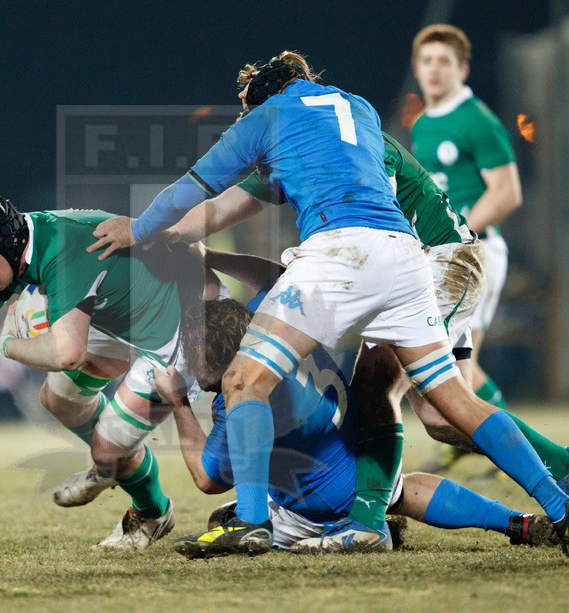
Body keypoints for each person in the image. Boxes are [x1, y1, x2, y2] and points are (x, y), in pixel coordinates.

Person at [87, 51, 569, 557]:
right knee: (446, 406)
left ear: (262, 100)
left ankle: (282, 522)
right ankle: (558, 505)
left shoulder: (271, 120)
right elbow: (216, 221)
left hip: (408, 253)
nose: (242, 120)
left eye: (244, 110)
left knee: (248, 381)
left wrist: (137, 229)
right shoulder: (353, 110)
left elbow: (197, 193)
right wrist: (189, 245)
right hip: (404, 253)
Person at [152, 271, 554, 556]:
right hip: (360, 454)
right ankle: (515, 521)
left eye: (193, 355)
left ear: (212, 357)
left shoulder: (240, 399)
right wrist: (216, 257)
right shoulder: (281, 328)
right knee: (398, 487)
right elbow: (274, 276)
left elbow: (207, 479)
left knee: (221, 519)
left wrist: (178, 403)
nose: (188, 363)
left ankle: (341, 528)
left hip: (312, 505)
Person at [0, 191, 223, 550]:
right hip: (125, 317)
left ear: (10, 244)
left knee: (108, 450)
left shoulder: (60, 250)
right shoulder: (8, 248)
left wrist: (9, 345)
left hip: (179, 326)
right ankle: (113, 459)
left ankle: (148, 509)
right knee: (59, 400)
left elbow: (68, 354)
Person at [410, 24, 523, 473]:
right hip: (442, 256)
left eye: (444, 62)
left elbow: (508, 193)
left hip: (476, 253)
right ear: (417, 69)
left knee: (449, 362)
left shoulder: (476, 118)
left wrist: (456, 232)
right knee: (453, 365)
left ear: (462, 68)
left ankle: (515, 448)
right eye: (427, 61)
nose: (434, 70)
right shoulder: (420, 125)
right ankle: (494, 440)